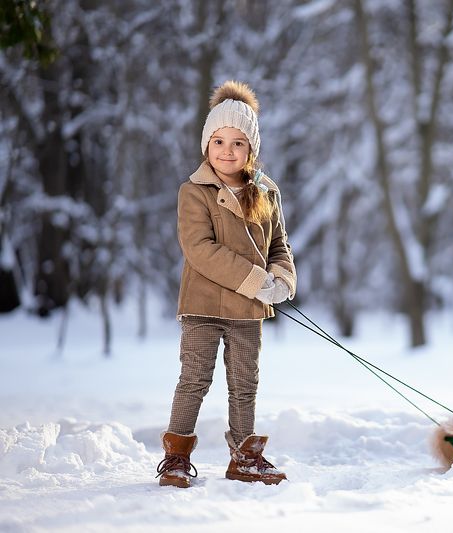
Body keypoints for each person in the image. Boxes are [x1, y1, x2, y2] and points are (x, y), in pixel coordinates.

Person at [156, 81, 296, 488]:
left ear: (250, 148)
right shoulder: (194, 191)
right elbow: (200, 249)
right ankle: (177, 457)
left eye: (237, 143)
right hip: (202, 306)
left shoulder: (267, 192)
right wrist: (256, 281)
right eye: (218, 141)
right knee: (195, 378)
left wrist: (282, 280)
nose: (227, 151)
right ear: (207, 144)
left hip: (248, 311)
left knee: (244, 383)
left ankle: (244, 457)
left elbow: (279, 245)